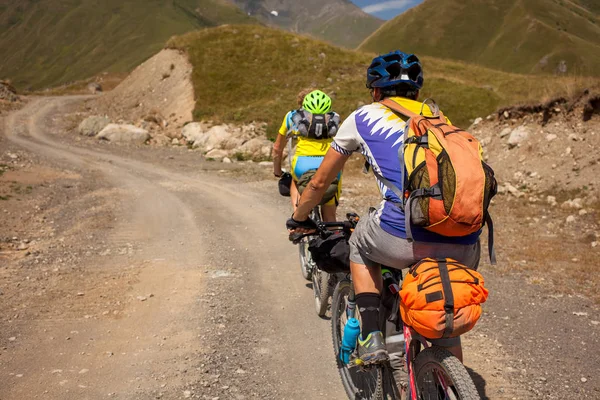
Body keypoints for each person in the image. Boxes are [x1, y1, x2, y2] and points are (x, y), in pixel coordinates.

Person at [285, 51, 481, 364]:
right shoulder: (440, 120)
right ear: (416, 92)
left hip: (401, 236)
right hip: (465, 238)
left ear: (375, 91)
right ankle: (448, 376)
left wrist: (298, 218)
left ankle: (371, 335)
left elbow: (320, 183)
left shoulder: (362, 117)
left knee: (360, 244)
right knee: (443, 313)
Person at [273, 89, 341, 222]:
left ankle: (298, 220)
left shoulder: (292, 116)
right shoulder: (334, 118)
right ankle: (332, 232)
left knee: (295, 181)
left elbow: (277, 149)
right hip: (330, 165)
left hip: (302, 165)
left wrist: (277, 171)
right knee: (330, 216)